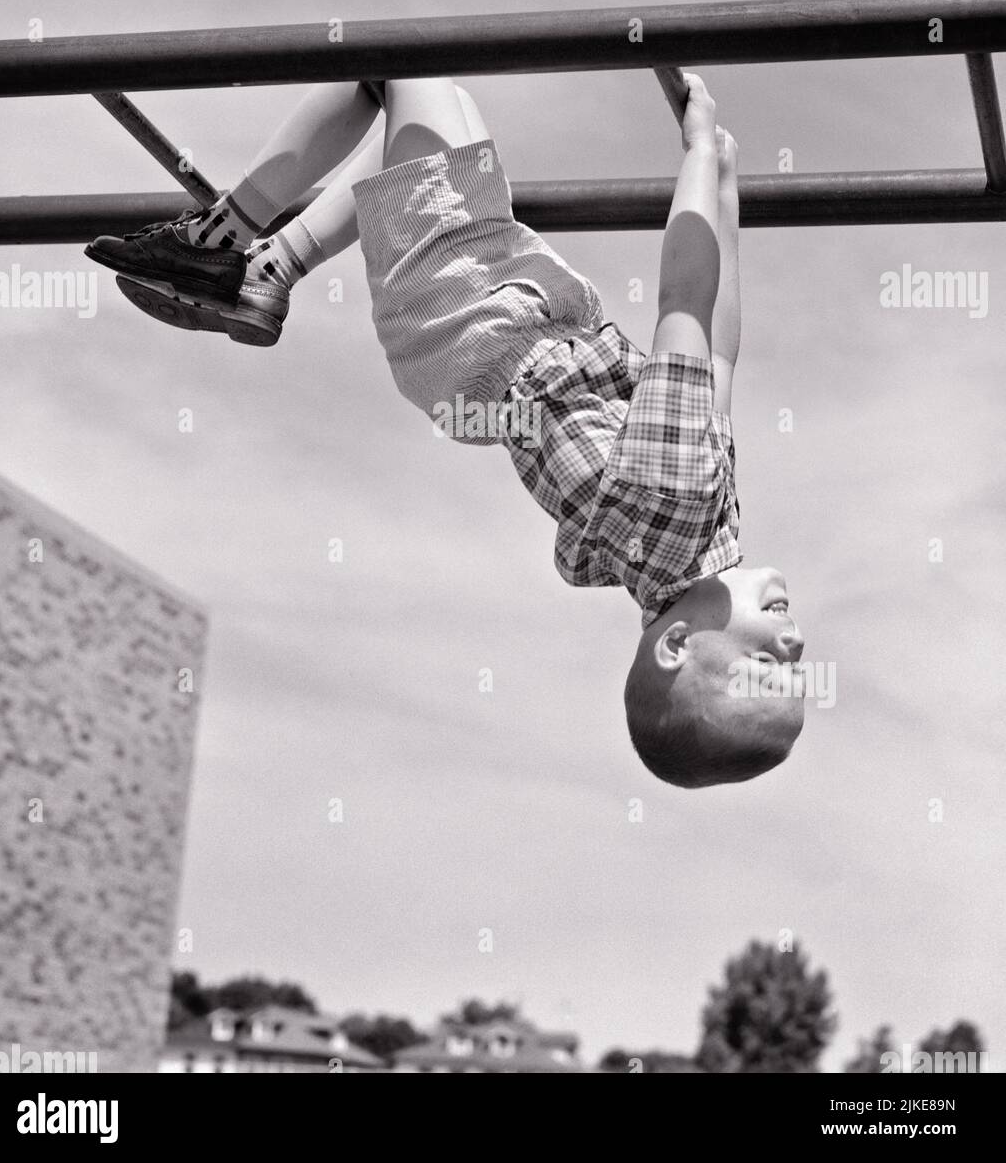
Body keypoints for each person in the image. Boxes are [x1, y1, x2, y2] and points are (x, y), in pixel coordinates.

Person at [85, 74, 806, 788]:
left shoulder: (674, 506)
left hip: (472, 308)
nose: (794, 641)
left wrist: (698, 154)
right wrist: (727, 187)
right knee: (442, 111)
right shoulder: (697, 537)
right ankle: (268, 268)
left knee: (398, 67)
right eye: (795, 665)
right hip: (477, 326)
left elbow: (686, 295)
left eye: (768, 665)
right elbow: (719, 351)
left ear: (677, 643)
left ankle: (216, 241)